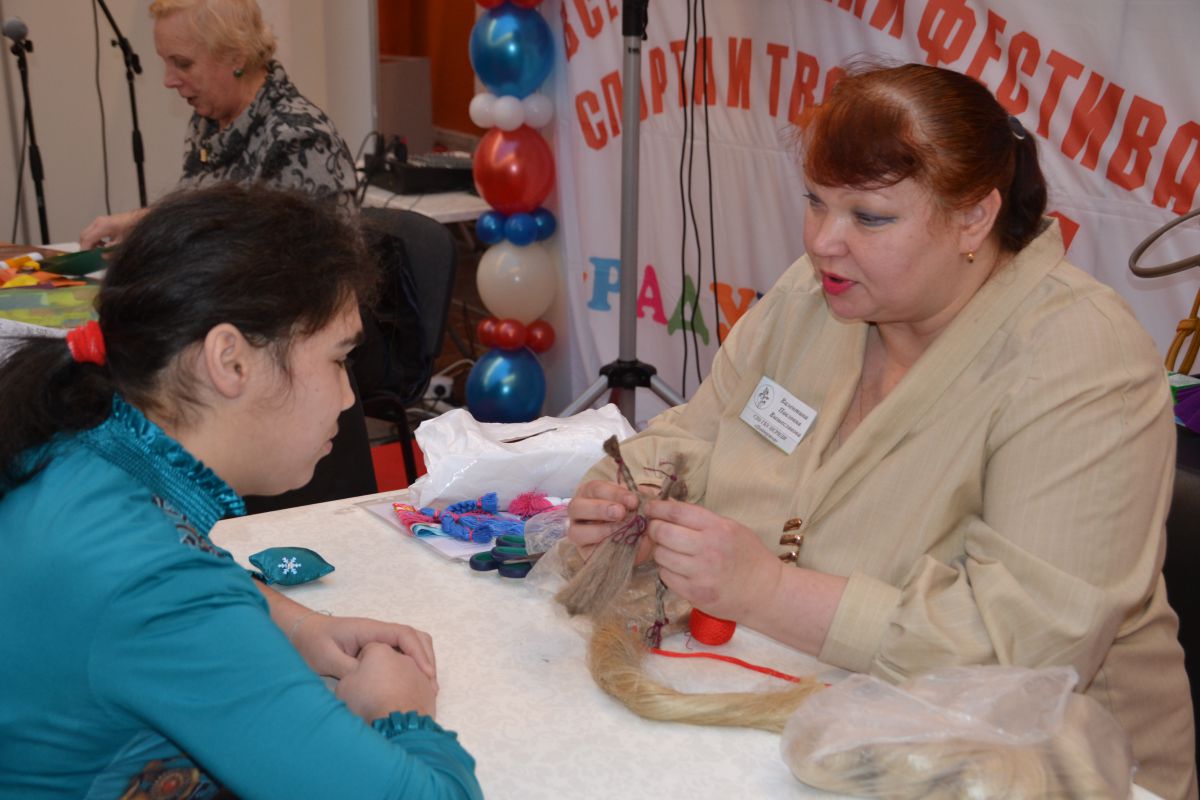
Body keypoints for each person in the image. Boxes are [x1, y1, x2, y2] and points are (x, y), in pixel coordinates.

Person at [566, 63, 1195, 799]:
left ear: (974, 218)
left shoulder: (1081, 358)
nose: (823, 242)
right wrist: (632, 501)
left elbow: (1027, 652)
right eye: (816, 201)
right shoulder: (815, 297)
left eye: (869, 218)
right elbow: (693, 439)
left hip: (1051, 770)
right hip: (804, 705)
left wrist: (767, 590)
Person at [0, 185, 480, 799]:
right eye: (338, 360)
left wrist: (298, 627)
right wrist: (398, 709)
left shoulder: (78, 440)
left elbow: (174, 562)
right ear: (230, 361)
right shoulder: (155, 588)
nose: (346, 398)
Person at [79, 0, 356, 248]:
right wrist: (138, 224)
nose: (168, 80)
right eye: (166, 62)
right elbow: (196, 212)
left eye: (182, 64)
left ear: (236, 56)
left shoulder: (301, 140)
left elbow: (319, 275)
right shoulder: (209, 119)